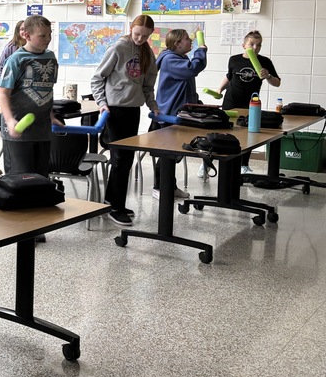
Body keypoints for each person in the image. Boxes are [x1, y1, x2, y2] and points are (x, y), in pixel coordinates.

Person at [91, 14, 159, 226]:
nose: (140, 39)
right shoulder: (118, 48)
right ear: (131, 28)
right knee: (120, 159)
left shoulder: (147, 52)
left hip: (132, 110)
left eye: (145, 36)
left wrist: (153, 105)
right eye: (137, 34)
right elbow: (97, 79)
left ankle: (113, 200)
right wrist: (102, 103)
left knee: (126, 159)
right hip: (114, 111)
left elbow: (147, 86)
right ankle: (115, 206)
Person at [0, 16, 59, 176]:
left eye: (49, 34)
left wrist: (51, 116)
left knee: (40, 178)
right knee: (20, 179)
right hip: (18, 129)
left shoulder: (51, 57)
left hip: (42, 130)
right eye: (42, 35)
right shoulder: (16, 59)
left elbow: (47, 90)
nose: (48, 39)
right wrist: (10, 121)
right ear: (27, 35)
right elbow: (3, 94)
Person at [152, 29, 208, 197]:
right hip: (170, 114)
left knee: (174, 152)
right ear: (177, 44)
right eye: (187, 39)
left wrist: (196, 103)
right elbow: (192, 69)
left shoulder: (179, 58)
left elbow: (186, 86)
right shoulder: (170, 59)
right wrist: (201, 51)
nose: (190, 41)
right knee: (167, 153)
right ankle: (161, 188)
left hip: (180, 112)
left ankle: (169, 186)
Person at [219, 30, 280, 175]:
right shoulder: (234, 60)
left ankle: (244, 165)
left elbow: (277, 83)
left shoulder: (265, 62)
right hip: (231, 101)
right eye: (251, 44)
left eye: (258, 45)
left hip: (251, 103)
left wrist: (268, 76)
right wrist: (219, 89)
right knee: (225, 132)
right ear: (244, 45)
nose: (255, 48)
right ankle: (211, 162)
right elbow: (229, 76)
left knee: (249, 134)